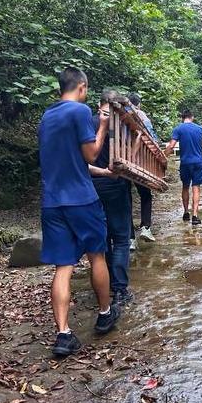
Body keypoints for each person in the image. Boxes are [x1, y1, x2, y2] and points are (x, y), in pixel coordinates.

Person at [38, 67, 120, 357]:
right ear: (82, 87)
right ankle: (105, 313)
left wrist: (104, 173)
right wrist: (103, 126)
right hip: (81, 200)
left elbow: (74, 163)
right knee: (97, 254)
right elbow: (90, 153)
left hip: (52, 202)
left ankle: (63, 334)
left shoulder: (47, 116)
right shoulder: (80, 112)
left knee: (63, 266)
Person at [89, 90, 134, 306]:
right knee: (122, 239)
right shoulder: (123, 124)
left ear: (99, 104)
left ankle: (103, 284)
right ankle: (120, 288)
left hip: (91, 188)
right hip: (115, 186)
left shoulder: (87, 122)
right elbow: (130, 157)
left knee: (103, 238)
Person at [164, 110, 202, 225]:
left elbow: (171, 146)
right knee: (196, 187)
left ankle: (185, 213)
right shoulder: (199, 128)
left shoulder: (178, 129)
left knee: (185, 187)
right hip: (198, 163)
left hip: (185, 163)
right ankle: (195, 215)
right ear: (192, 117)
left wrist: (163, 157)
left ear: (182, 118)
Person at [127, 93, 156, 244]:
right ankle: (146, 227)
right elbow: (152, 138)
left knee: (126, 198)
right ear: (138, 104)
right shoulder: (142, 116)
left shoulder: (119, 115)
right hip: (140, 162)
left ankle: (130, 237)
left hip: (121, 161)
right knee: (145, 194)